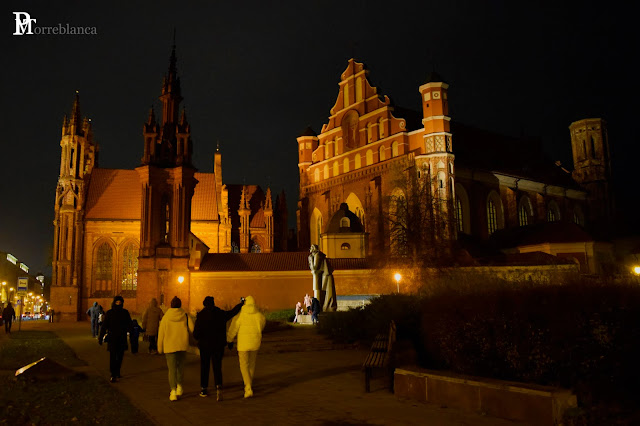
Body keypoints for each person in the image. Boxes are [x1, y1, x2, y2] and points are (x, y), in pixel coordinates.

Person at [193, 296, 243, 400]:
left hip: (205, 346)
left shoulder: (201, 316)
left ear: (204, 304)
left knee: (204, 367)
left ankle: (204, 389)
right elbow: (232, 312)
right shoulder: (220, 313)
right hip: (218, 345)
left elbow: (196, 334)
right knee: (217, 367)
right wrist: (241, 304)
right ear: (213, 303)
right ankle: (218, 387)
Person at [227, 295, 266, 399]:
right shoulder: (259, 316)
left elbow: (233, 327)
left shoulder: (240, 315)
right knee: (252, 365)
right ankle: (249, 384)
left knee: (243, 365)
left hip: (243, 344)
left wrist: (229, 340)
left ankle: (248, 387)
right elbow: (262, 326)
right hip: (255, 343)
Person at [157, 296, 194, 402]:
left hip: (169, 346)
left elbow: (161, 333)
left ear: (171, 305)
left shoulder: (166, 317)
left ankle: (173, 391)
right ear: (180, 305)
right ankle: (180, 386)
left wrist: (160, 347)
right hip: (182, 345)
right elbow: (192, 329)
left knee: (172, 369)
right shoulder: (185, 315)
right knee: (181, 367)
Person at [98, 296, 133, 383]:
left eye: (119, 302)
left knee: (119, 356)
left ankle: (116, 372)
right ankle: (113, 374)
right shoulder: (110, 313)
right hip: (114, 337)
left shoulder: (124, 313)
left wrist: (131, 333)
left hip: (120, 337)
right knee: (113, 356)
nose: (118, 304)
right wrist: (101, 337)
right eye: (117, 302)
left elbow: (129, 324)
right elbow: (104, 326)